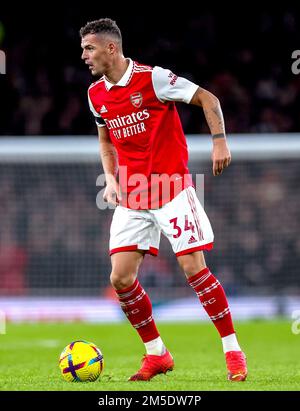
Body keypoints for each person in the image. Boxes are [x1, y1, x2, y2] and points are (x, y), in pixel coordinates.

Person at [80, 18, 247, 382]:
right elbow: (106, 140)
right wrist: (110, 179)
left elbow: (208, 97)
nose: (84, 56)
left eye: (89, 48)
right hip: (133, 194)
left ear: (111, 48)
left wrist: (219, 140)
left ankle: (232, 349)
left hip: (171, 189)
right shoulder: (95, 95)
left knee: (193, 270)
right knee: (120, 278)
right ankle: (157, 354)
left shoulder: (153, 78)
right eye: (83, 49)